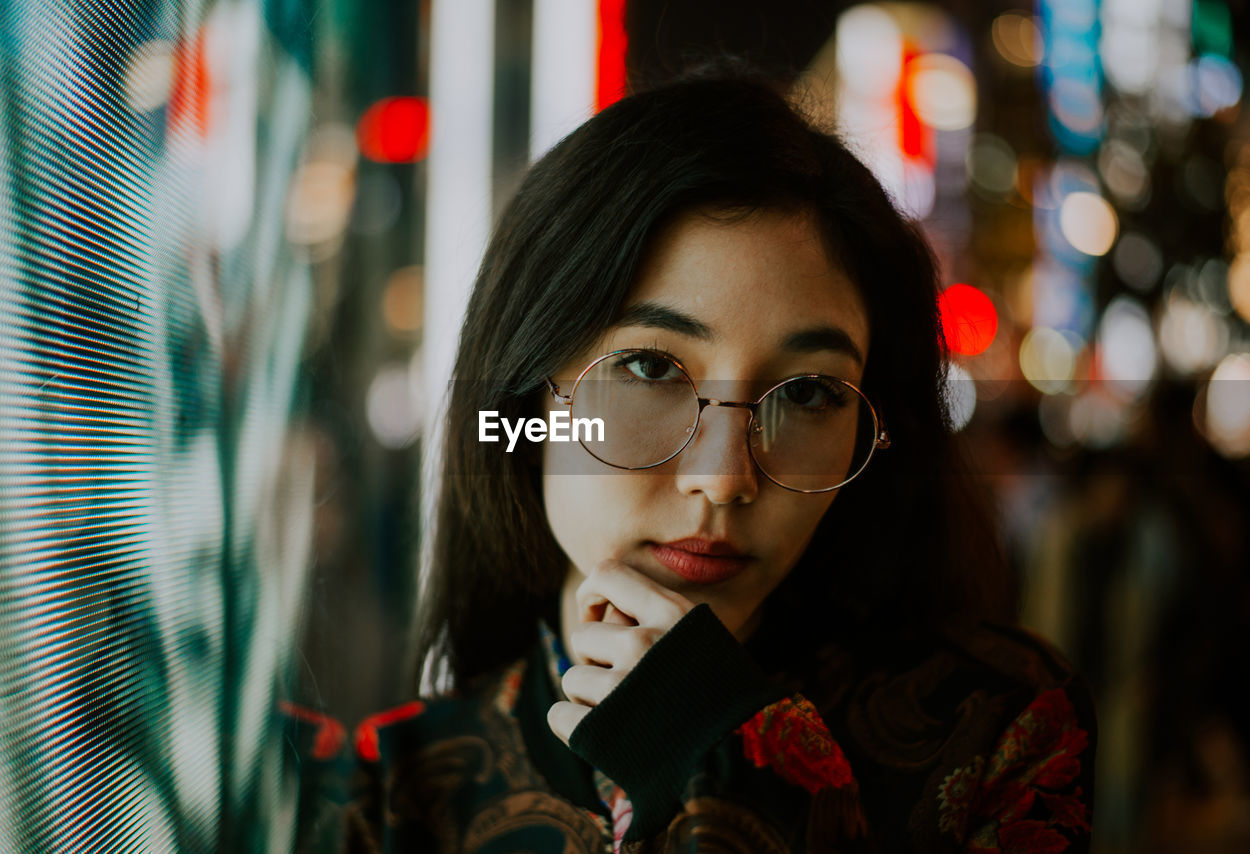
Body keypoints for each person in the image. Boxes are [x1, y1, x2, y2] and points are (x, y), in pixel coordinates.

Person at [330, 74, 1096, 853]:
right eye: (652, 370)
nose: (725, 478)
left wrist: (739, 772)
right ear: (528, 395)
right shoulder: (393, 788)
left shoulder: (993, 728)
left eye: (805, 392)